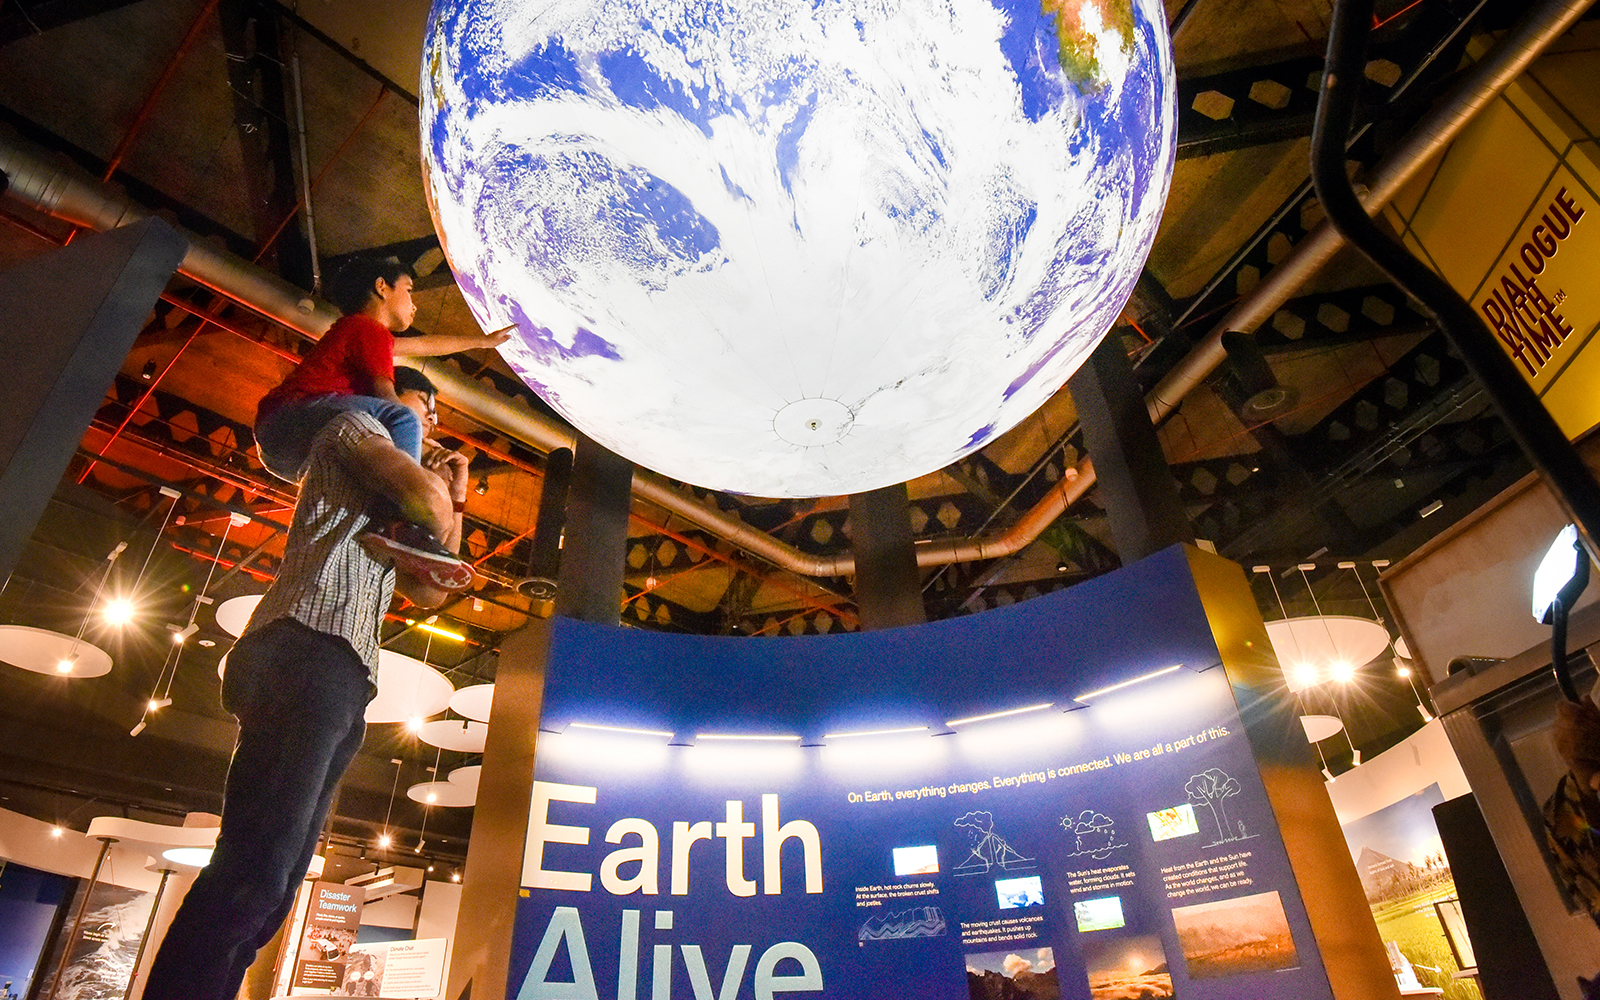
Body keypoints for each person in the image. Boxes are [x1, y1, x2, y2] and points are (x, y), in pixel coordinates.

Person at [140, 369, 468, 1000]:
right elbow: (426, 508)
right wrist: (437, 494)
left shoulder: (402, 483)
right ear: (390, 392)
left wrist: (456, 491)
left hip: (343, 669)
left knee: (280, 878)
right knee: (256, 867)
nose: (432, 421)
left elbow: (432, 585)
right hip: (305, 644)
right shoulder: (357, 427)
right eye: (427, 405)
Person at [253, 256, 506, 588]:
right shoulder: (366, 328)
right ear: (382, 287)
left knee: (369, 462)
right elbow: (386, 394)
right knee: (401, 416)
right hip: (292, 414)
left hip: (285, 448)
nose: (415, 305)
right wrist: (420, 444)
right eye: (410, 290)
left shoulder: (365, 334)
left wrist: (483, 341)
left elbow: (425, 346)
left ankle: (392, 524)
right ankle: (402, 523)